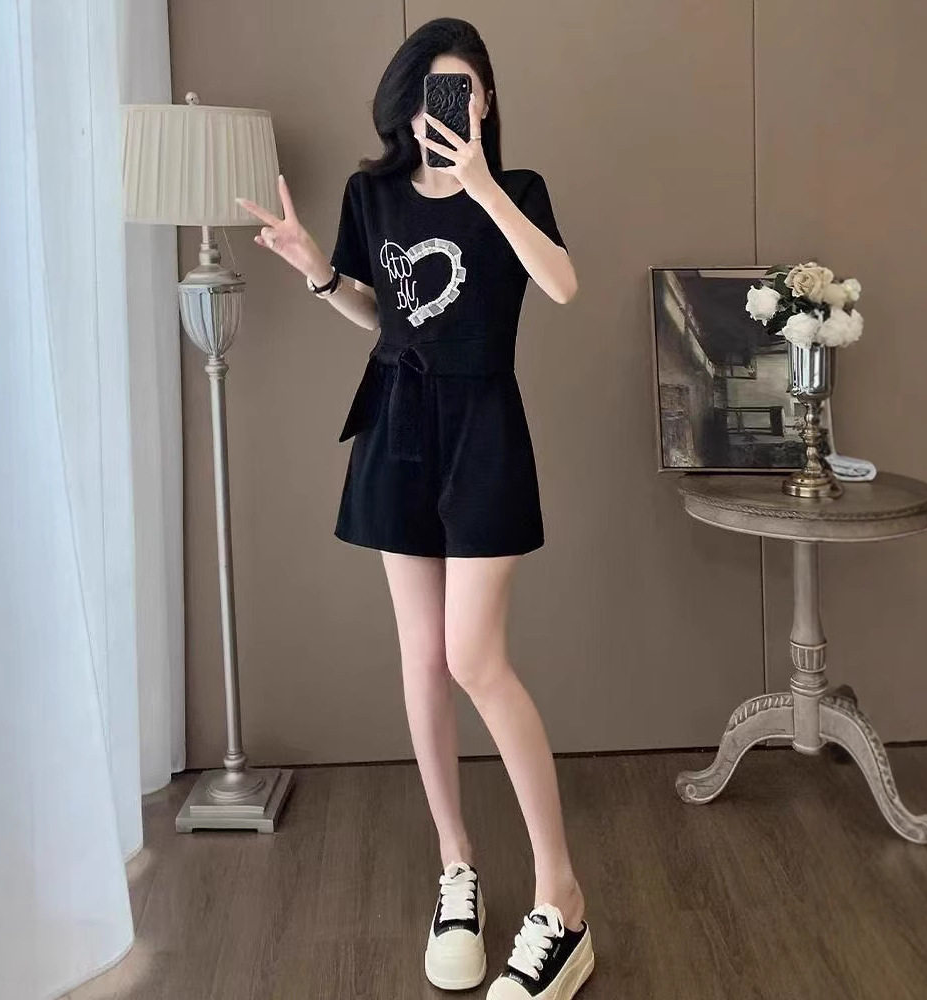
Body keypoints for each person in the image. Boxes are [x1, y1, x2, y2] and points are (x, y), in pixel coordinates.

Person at [238, 17, 592, 1000]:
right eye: (437, 89)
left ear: (486, 101)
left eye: (466, 89)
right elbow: (381, 314)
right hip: (396, 424)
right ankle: (456, 869)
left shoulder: (519, 191)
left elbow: (562, 285)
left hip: (483, 427)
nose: (451, 105)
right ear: (407, 101)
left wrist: (481, 185)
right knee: (423, 658)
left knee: (476, 657)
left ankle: (562, 899)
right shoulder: (373, 195)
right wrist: (317, 270)